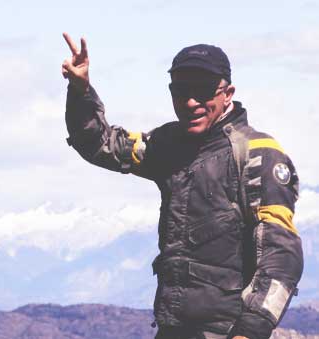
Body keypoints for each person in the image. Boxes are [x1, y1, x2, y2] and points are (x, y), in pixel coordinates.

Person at [61, 33, 303, 339]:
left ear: (227, 93)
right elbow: (101, 144)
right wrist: (80, 89)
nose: (190, 103)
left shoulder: (258, 154)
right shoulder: (168, 144)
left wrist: (251, 330)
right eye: (180, 91)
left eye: (202, 92)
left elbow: (282, 258)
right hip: (173, 328)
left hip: (230, 332)